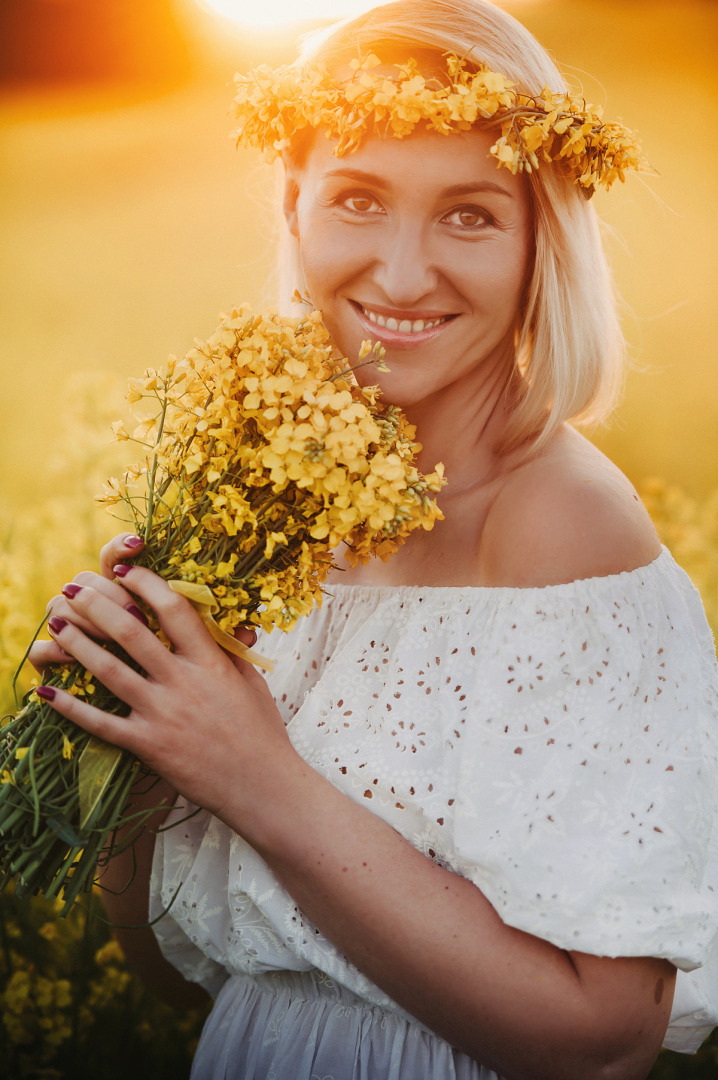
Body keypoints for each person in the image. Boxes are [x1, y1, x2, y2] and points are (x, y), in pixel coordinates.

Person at [30, 2, 718, 1078]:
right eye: (358, 199)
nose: (401, 277)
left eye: (470, 216)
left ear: (542, 239)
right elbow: (179, 975)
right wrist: (142, 741)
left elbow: (605, 1045)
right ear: (294, 206)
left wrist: (255, 774)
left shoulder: (560, 528)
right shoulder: (267, 512)